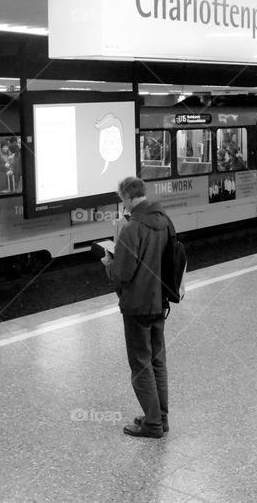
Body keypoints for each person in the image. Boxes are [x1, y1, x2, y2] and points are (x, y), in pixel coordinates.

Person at [100, 176, 172, 439]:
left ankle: (152, 424)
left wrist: (108, 262)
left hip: (138, 305)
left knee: (141, 365)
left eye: (123, 202)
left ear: (129, 197)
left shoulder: (132, 228)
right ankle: (160, 417)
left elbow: (122, 274)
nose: (124, 207)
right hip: (159, 302)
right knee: (157, 362)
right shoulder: (164, 220)